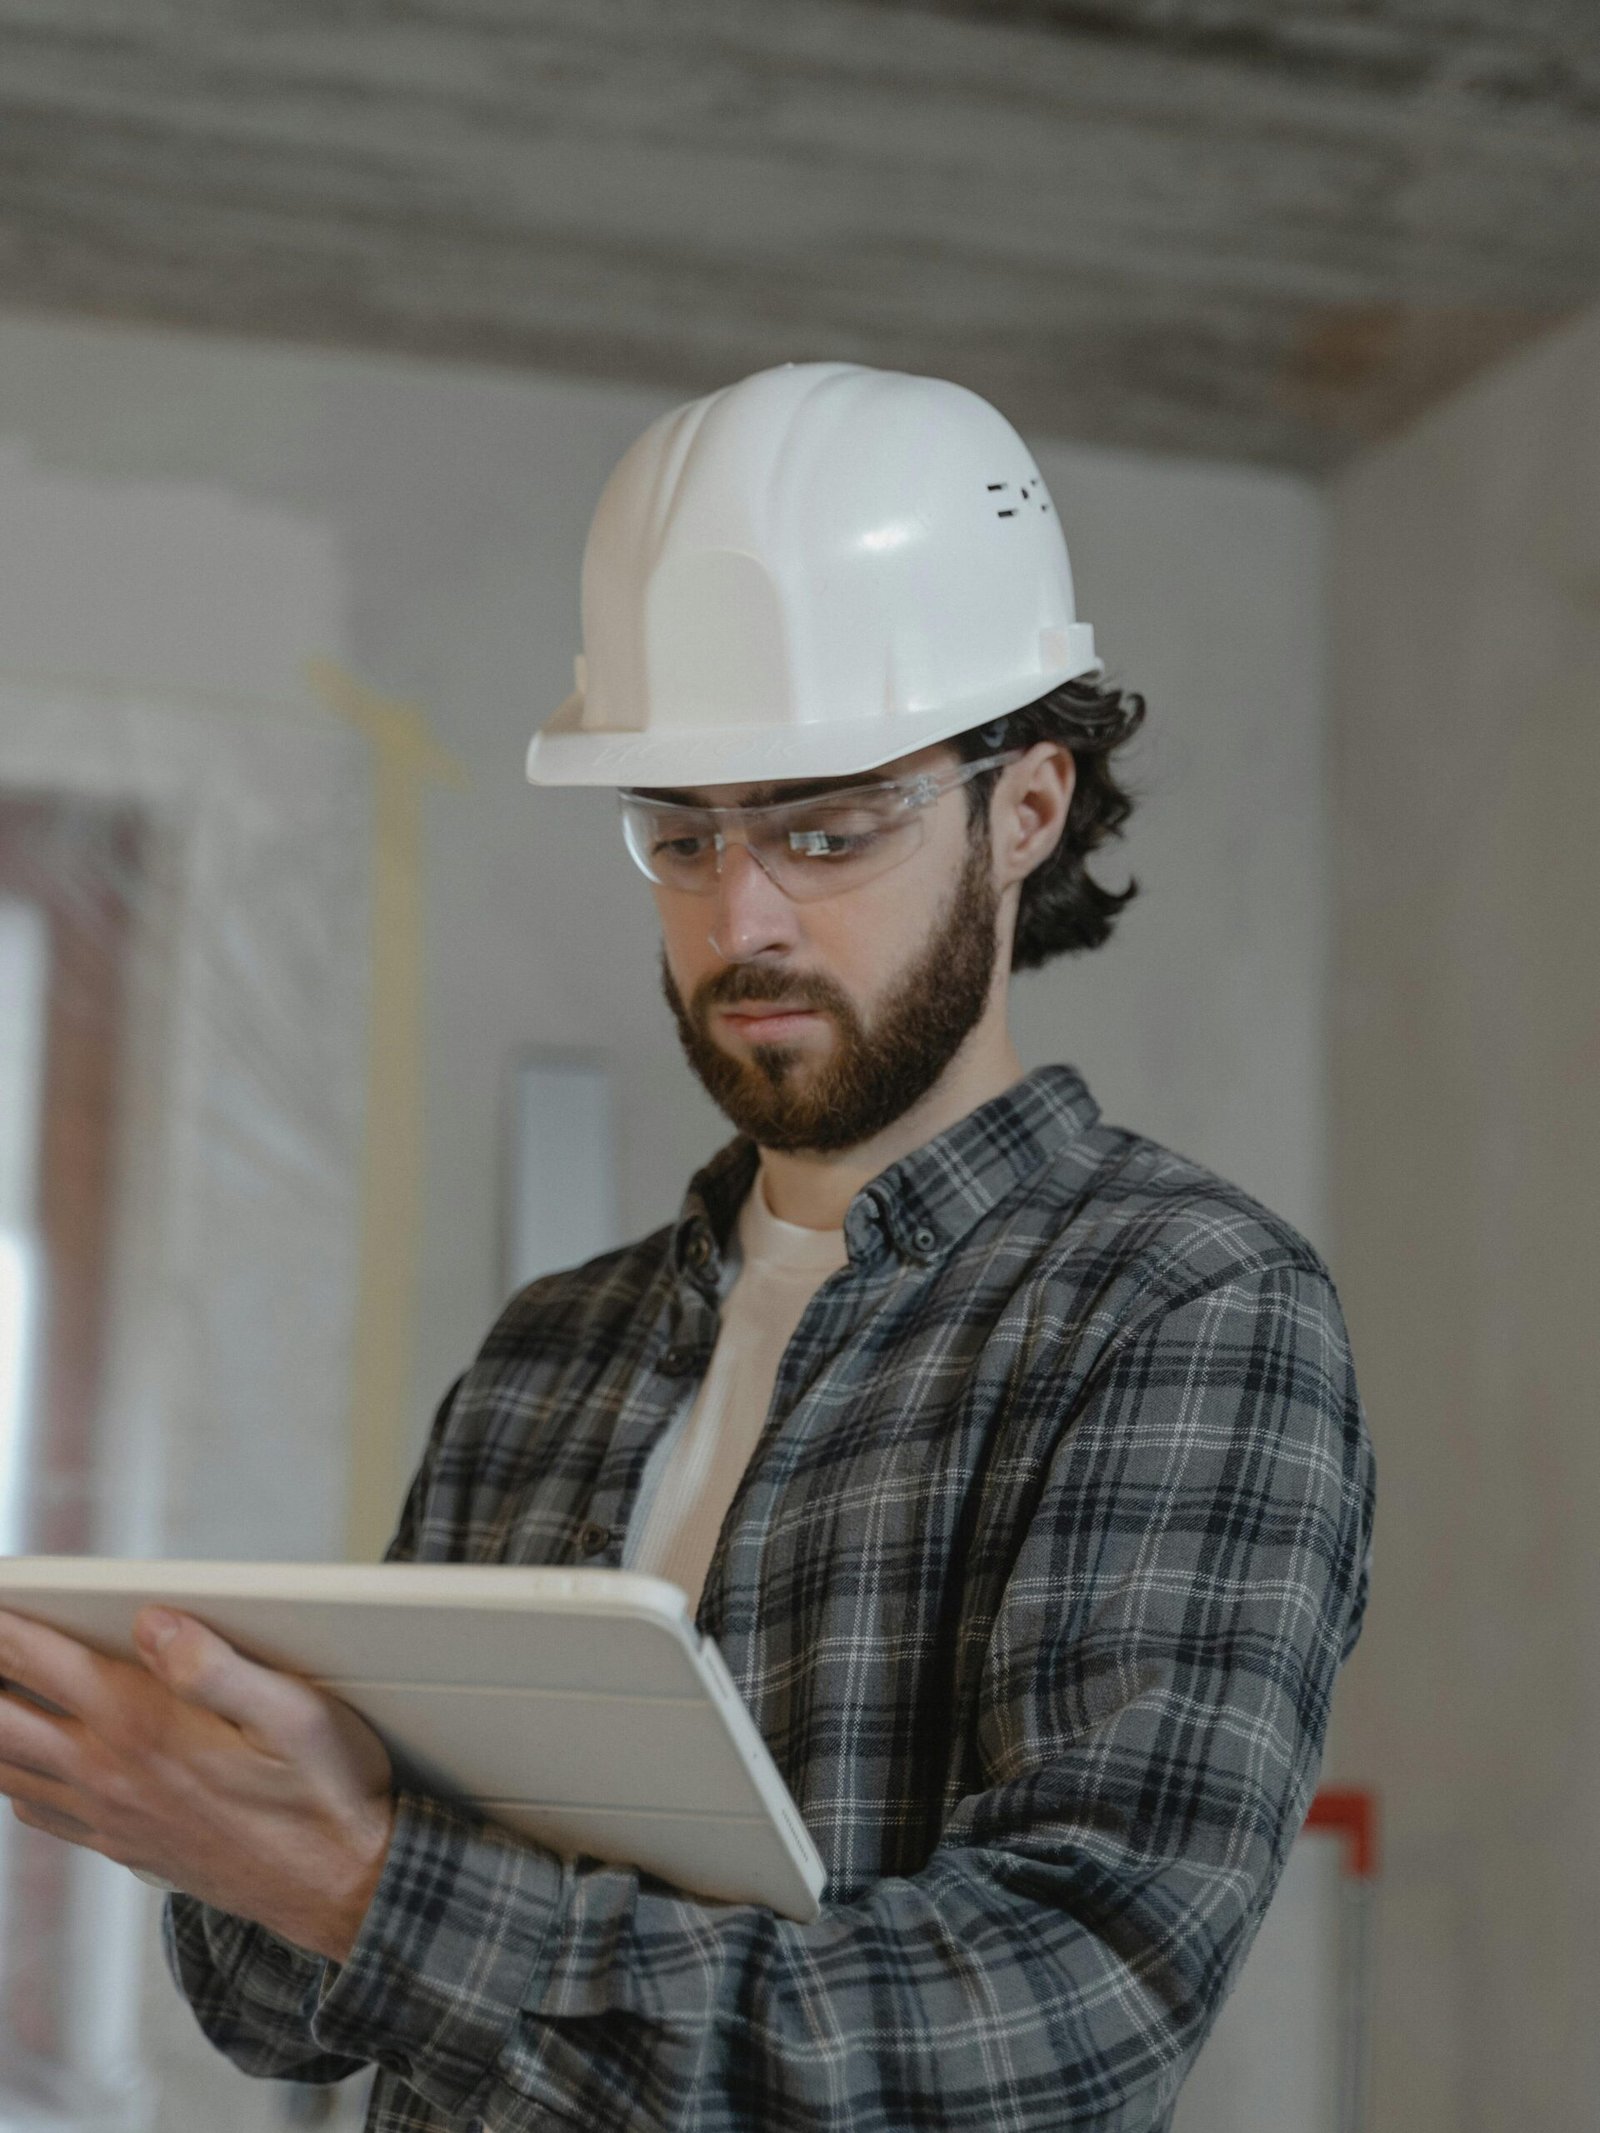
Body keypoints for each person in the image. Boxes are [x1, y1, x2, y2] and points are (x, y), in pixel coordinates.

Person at [0, 361, 1375, 2132]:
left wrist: (360, 1879)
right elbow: (292, 2019)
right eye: (683, 832)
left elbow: (1050, 2029)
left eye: (828, 826)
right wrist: (226, 1808)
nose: (745, 917)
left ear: (1025, 808)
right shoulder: (553, 1350)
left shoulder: (1182, 1310)